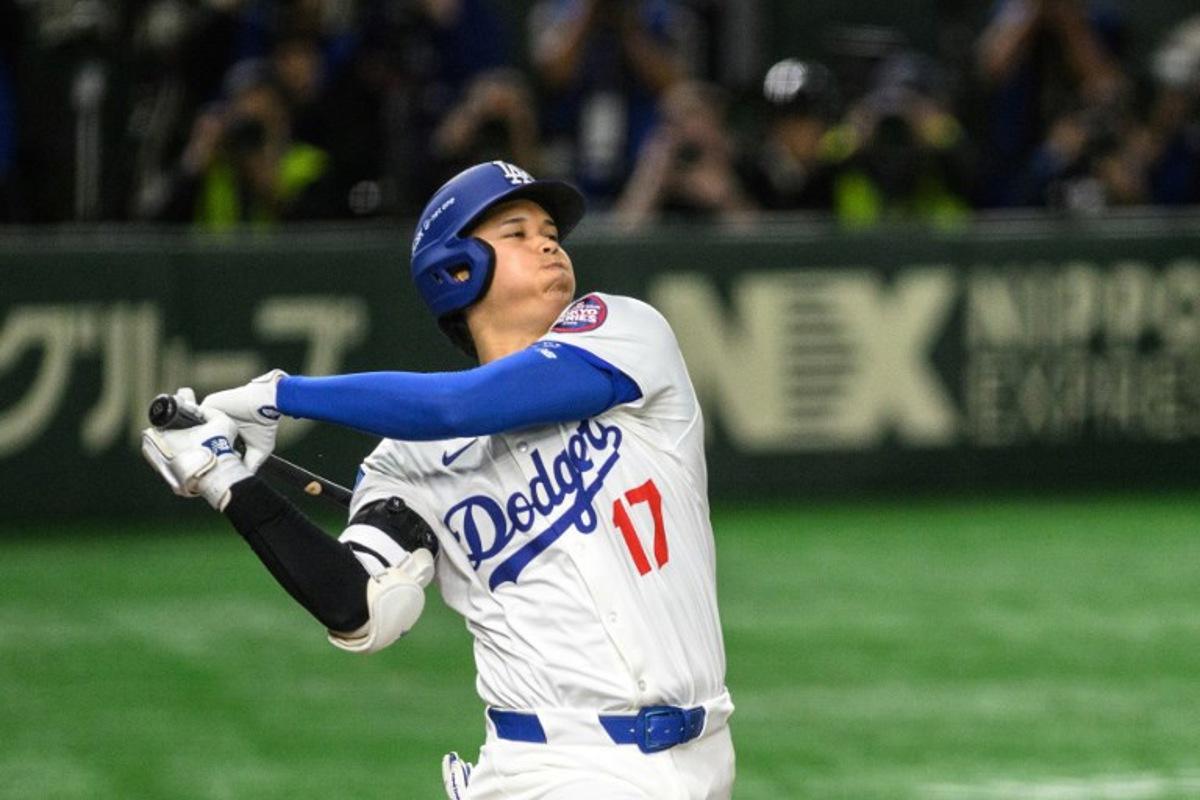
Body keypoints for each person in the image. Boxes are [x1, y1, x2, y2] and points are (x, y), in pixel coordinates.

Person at [140, 160, 736, 799]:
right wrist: (225, 479)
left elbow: (459, 406)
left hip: (703, 756)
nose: (548, 241)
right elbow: (360, 610)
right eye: (516, 231)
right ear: (457, 270)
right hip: (551, 769)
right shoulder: (407, 463)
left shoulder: (624, 331)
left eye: (550, 230)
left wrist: (283, 394)